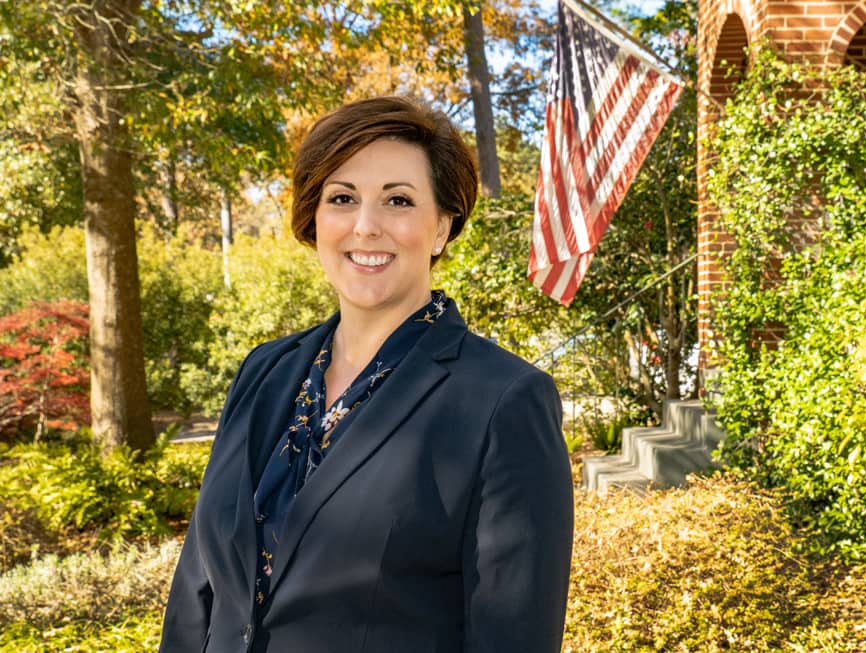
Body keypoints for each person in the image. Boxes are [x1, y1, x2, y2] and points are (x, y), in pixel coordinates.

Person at [159, 96, 574, 653]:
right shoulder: (264, 370)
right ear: (315, 219)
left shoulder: (503, 401)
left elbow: (512, 635)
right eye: (342, 198)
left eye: (398, 200)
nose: (365, 225)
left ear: (441, 228)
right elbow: (197, 588)